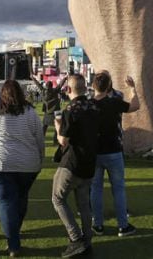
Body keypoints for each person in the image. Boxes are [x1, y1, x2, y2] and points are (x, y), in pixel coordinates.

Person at [0, 80, 44, 257]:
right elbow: (40, 139)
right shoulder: (31, 113)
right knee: (21, 197)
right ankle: (15, 229)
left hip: (1, 164)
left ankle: (13, 242)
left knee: (6, 201)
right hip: (28, 164)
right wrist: (40, 158)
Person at [52, 74, 100, 258]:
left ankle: (76, 238)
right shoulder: (94, 108)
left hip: (72, 163)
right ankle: (87, 242)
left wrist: (58, 126)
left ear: (69, 90)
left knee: (57, 198)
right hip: (89, 163)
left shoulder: (71, 110)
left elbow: (63, 140)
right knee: (83, 205)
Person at [90, 72, 139, 238]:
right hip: (114, 151)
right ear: (109, 85)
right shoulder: (114, 102)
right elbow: (135, 106)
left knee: (95, 189)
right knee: (118, 189)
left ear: (92, 86)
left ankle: (97, 225)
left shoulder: (87, 105)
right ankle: (122, 226)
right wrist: (133, 89)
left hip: (94, 152)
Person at [31, 74, 68, 144]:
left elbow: (38, 84)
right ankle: (55, 140)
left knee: (44, 127)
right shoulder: (55, 91)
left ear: (46, 86)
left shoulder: (43, 91)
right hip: (56, 111)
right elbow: (60, 85)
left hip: (47, 112)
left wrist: (33, 78)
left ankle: (40, 140)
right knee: (58, 127)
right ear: (51, 86)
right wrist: (65, 78)